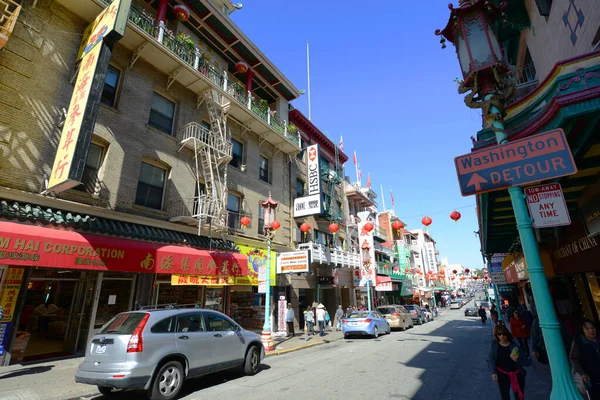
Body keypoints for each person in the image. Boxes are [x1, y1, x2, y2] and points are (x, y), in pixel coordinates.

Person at [488, 324, 530, 400]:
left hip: (516, 373)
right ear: (496, 335)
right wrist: (493, 372)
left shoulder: (514, 346)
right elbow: (491, 358)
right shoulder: (494, 344)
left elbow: (527, 362)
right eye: (499, 334)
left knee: (519, 396)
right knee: (504, 396)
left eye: (504, 334)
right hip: (502, 374)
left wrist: (517, 360)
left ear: (507, 334)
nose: (502, 336)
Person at [569, 320, 600, 398]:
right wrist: (582, 373)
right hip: (592, 378)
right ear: (582, 330)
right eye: (587, 329)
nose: (591, 331)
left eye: (593, 328)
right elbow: (573, 359)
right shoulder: (579, 342)